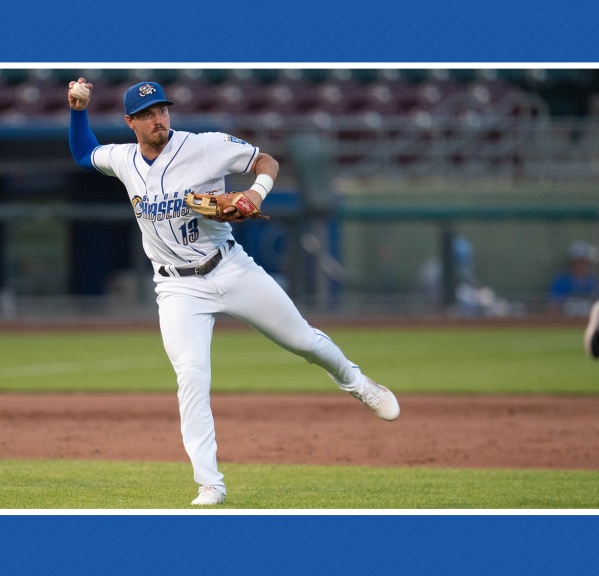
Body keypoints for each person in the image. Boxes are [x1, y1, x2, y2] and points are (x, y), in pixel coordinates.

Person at [67, 78, 399, 506]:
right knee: (191, 377)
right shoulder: (124, 159)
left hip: (230, 268)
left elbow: (266, 161)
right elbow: (82, 152)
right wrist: (78, 109)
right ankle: (210, 483)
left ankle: (355, 381)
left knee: (303, 340)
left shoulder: (203, 146)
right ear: (130, 121)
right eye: (148, 114)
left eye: (163, 110)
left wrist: (252, 193)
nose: (159, 119)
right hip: (176, 288)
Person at [550, 241, 599, 316]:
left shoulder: (597, 283)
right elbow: (553, 307)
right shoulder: (561, 282)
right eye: (577, 262)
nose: (581, 266)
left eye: (584, 262)